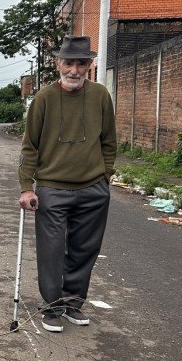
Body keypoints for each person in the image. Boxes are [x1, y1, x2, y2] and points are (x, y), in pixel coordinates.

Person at [17, 35, 116, 333]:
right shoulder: (44, 98)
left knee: (85, 248)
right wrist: (26, 187)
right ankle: (51, 305)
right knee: (51, 249)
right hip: (52, 187)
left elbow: (109, 141)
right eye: (68, 62)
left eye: (81, 63)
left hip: (92, 188)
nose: (74, 70)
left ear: (89, 65)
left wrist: (105, 176)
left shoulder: (100, 95)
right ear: (57, 63)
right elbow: (29, 146)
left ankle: (73, 302)